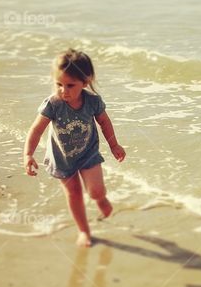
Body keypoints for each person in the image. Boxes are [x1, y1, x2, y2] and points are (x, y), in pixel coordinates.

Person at [23, 49, 126, 246]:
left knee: (95, 190)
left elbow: (105, 122)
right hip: (62, 158)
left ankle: (101, 200)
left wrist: (114, 145)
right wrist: (28, 154)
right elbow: (36, 130)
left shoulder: (92, 102)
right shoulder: (53, 104)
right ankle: (84, 231)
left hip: (88, 153)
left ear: (85, 82)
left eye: (70, 85)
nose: (64, 90)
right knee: (74, 194)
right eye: (59, 84)